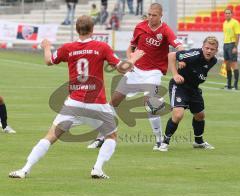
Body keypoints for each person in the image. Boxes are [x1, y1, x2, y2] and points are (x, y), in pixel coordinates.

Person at [8, 15, 144, 179]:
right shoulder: (101, 47)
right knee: (111, 136)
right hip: (97, 104)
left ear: (76, 30)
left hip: (74, 102)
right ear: (93, 30)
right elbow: (122, 69)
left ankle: (25, 169)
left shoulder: (68, 48)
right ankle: (98, 169)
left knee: (51, 136)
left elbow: (48, 61)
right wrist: (134, 58)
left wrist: (47, 46)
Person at [88, 3, 183, 150]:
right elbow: (131, 47)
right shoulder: (140, 27)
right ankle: (101, 136)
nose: (151, 17)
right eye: (149, 14)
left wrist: (182, 58)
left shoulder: (165, 30)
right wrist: (130, 62)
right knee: (113, 102)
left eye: (154, 15)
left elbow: (179, 46)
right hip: (136, 71)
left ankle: (159, 140)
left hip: (154, 72)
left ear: (160, 16)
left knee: (150, 105)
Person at [158, 36, 219, 152]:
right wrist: (175, 74)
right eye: (207, 48)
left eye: (212, 49)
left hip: (194, 89)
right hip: (180, 86)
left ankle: (198, 141)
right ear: (202, 47)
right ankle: (164, 142)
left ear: (216, 50)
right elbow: (171, 56)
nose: (209, 51)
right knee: (178, 115)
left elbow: (197, 70)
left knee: (200, 115)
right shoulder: (194, 54)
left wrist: (184, 63)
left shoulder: (213, 61)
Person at [223, 8, 240, 90]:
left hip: (232, 44)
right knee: (227, 65)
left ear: (232, 14)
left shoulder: (235, 22)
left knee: (234, 63)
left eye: (229, 13)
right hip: (225, 44)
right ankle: (229, 85)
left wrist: (235, 47)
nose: (227, 14)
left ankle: (235, 85)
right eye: (226, 13)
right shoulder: (224, 23)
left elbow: (237, 35)